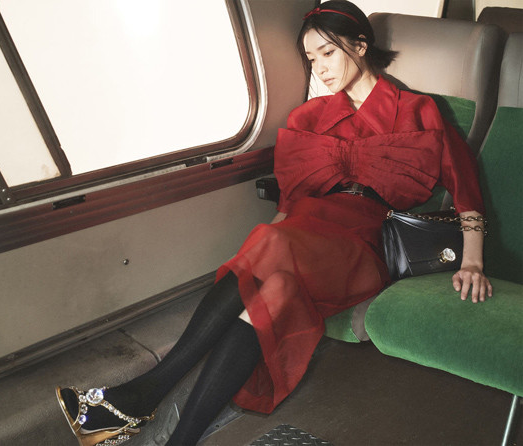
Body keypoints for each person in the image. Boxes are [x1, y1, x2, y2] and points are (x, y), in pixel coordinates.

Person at [56, 1, 493, 444]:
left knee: (272, 242)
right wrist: (262, 253)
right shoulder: (308, 117)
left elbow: (466, 189)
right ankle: (180, 439)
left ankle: (141, 395)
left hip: (362, 241)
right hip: (303, 228)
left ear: (361, 46)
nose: (320, 68)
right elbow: (290, 201)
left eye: (328, 53)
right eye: (311, 59)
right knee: (275, 284)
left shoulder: (418, 109)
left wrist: (472, 262)